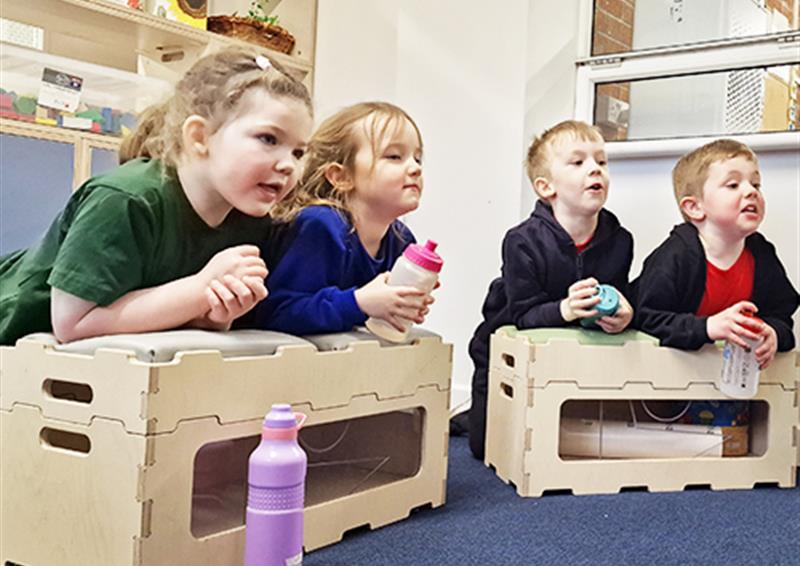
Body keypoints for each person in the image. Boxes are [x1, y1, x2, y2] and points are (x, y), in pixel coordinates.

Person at [0, 48, 313, 345]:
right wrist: (201, 290)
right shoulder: (123, 199)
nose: (289, 165)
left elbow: (165, 318)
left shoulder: (249, 223)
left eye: (299, 152)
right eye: (268, 139)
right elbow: (72, 324)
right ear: (200, 137)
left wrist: (213, 317)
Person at [465, 120, 634, 459]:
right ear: (546, 187)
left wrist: (625, 313)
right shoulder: (522, 241)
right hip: (504, 348)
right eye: (578, 162)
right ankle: (470, 417)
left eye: (601, 162)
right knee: (486, 447)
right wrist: (565, 309)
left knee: (569, 444)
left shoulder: (620, 240)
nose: (594, 170)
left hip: (573, 351)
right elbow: (522, 315)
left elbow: (616, 297)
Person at [247, 102, 433, 335]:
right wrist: (359, 302)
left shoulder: (401, 240)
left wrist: (402, 303)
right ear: (341, 176)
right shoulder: (320, 226)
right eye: (394, 156)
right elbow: (277, 312)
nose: (415, 169)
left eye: (417, 158)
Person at [633, 139, 799, 368]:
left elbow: (782, 315)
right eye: (733, 185)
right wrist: (707, 327)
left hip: (732, 381)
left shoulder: (761, 254)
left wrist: (774, 334)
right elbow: (647, 319)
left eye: (756, 185)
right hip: (668, 380)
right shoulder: (675, 256)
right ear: (695, 207)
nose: (750, 192)